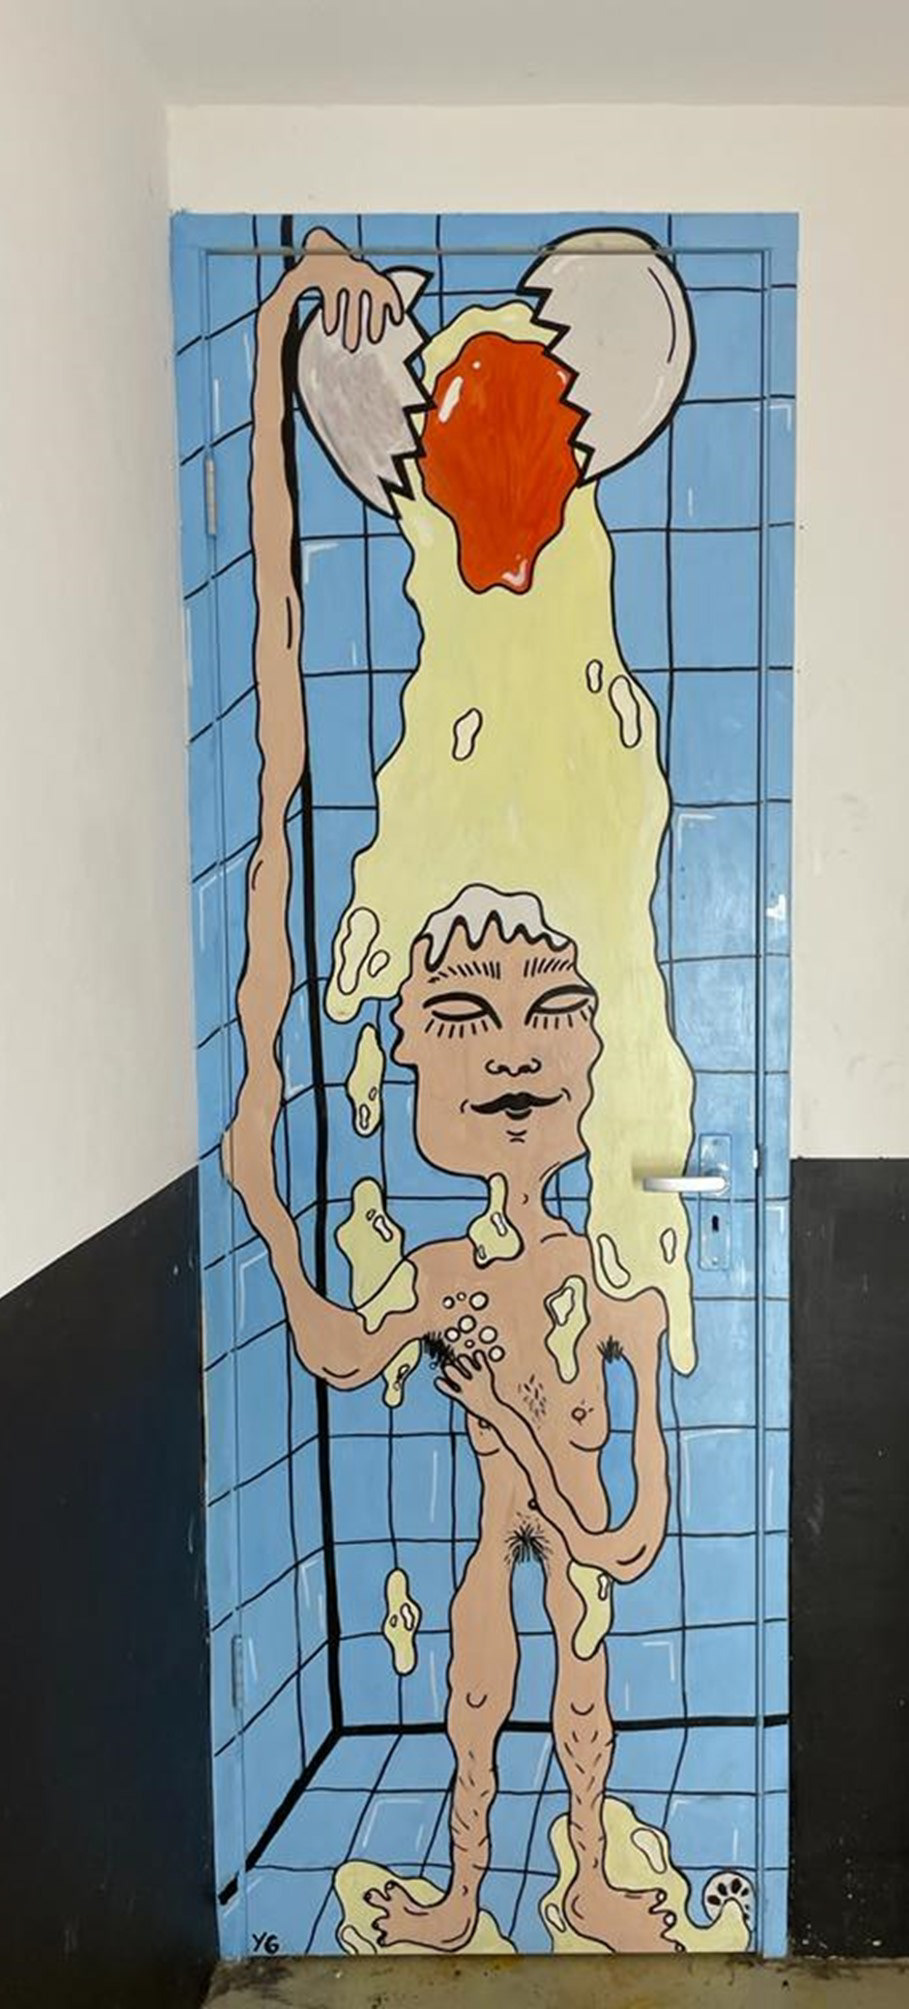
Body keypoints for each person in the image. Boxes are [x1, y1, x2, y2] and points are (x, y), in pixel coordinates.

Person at [225, 229, 681, 1952]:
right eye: (468, 1017)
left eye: (549, 1015)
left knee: (574, 1642)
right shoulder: (451, 1275)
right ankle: (473, 1881)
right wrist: (272, 1219)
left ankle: (581, 1868)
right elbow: (346, 1349)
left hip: (559, 1470)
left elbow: (629, 1522)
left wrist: (620, 1398)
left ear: (594, 1048)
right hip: (514, 1479)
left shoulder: (591, 1276)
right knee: (489, 1646)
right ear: (404, 1041)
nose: (511, 1051)